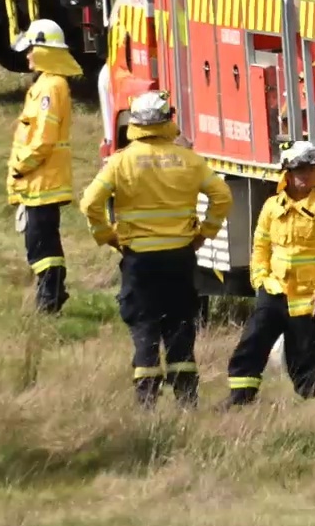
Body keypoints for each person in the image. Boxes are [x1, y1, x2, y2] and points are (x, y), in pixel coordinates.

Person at [77, 90, 227, 404]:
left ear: (135, 123)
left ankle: (147, 400)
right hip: (180, 256)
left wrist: (107, 235)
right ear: (167, 121)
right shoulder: (190, 160)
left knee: (144, 324)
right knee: (181, 322)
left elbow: (90, 202)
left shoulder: (121, 162)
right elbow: (222, 196)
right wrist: (204, 233)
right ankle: (187, 398)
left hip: (140, 259)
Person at [228, 140, 315, 405]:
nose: (306, 175)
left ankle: (311, 406)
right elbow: (260, 245)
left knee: (305, 357)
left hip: (307, 300)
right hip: (273, 291)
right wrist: (259, 279)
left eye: (312, 169)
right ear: (287, 174)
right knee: (251, 345)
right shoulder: (271, 207)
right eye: (300, 169)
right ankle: (239, 399)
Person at [7, 18, 83, 314]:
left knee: (41, 245)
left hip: (43, 180)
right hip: (40, 181)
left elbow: (43, 139)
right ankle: (51, 293)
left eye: (31, 50)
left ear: (44, 51)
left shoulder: (51, 87)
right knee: (40, 242)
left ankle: (50, 298)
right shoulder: (47, 84)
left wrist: (21, 168)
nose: (27, 56)